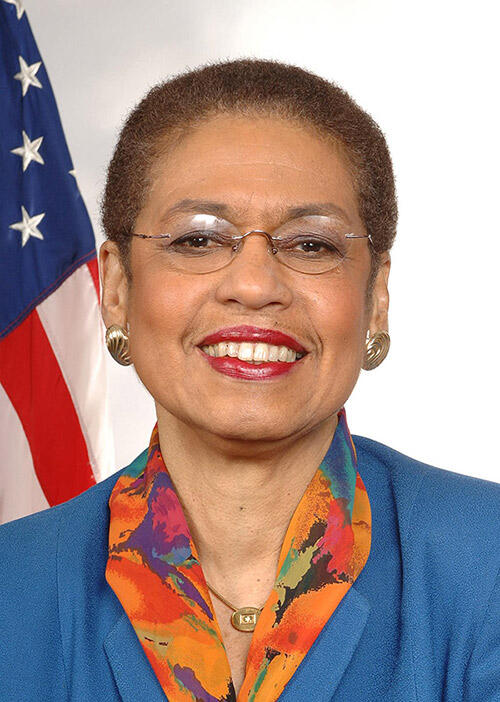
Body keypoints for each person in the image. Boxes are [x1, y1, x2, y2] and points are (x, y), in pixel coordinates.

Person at [1, 58, 499, 702]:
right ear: (118, 289)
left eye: (311, 245)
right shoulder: (11, 585)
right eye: (198, 241)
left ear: (376, 295)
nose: (256, 286)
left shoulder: (488, 564)